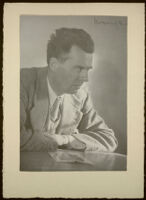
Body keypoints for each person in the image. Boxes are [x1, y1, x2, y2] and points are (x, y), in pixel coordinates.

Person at [20, 27, 118, 152]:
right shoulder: (22, 82)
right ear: (54, 65)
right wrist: (55, 142)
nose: (85, 79)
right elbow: (11, 136)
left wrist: (68, 140)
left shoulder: (81, 94)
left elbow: (108, 137)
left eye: (87, 70)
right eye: (78, 69)